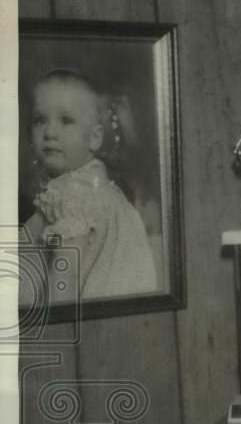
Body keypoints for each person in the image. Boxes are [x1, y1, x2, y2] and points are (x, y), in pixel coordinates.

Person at [23, 69, 156, 301]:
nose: (50, 132)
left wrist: (53, 325)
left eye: (66, 120)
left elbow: (66, 278)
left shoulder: (74, 197)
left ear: (94, 138)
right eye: (40, 120)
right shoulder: (90, 187)